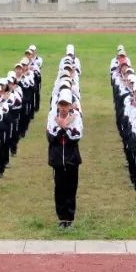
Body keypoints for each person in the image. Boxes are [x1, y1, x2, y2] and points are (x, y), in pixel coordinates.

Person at [47, 87, 83, 229]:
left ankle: (70, 219)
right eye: (61, 105)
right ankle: (61, 218)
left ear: (70, 105)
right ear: (57, 105)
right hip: (57, 159)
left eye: (66, 105)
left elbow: (77, 135)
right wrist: (63, 127)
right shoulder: (52, 115)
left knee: (71, 189)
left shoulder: (76, 116)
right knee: (59, 189)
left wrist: (64, 127)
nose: (63, 108)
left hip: (72, 158)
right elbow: (51, 136)